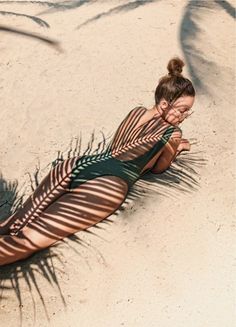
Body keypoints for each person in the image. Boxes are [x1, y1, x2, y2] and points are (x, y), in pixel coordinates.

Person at [0, 57, 195, 266]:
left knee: (13, 222)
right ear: (164, 104)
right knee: (26, 241)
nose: (185, 115)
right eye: (183, 110)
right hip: (108, 184)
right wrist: (176, 147)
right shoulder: (172, 133)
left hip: (77, 165)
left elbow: (123, 144)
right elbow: (158, 168)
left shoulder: (136, 112)